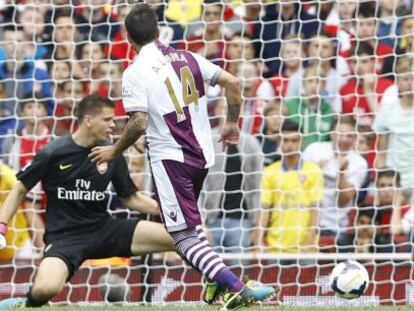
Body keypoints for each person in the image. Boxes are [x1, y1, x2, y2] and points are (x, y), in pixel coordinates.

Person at [89, 4, 275, 310]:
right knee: (190, 226)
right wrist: (231, 122)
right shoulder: (188, 57)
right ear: (159, 30)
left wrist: (113, 150)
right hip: (203, 156)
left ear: (127, 37)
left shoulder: (135, 71)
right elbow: (232, 82)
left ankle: (237, 288)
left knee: (181, 236)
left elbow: (138, 122)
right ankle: (216, 284)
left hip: (171, 161)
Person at [0, 95, 175, 308]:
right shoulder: (53, 152)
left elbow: (130, 197)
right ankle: (25, 303)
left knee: (182, 239)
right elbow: (19, 190)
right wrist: (2, 227)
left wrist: (169, 212)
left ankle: (222, 286)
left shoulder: (112, 153)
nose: (113, 124)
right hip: (65, 238)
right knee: (45, 289)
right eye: (108, 119)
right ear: (89, 120)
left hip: (103, 229)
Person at [252, 120, 323, 260]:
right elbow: (265, 209)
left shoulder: (313, 171)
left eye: (294, 140)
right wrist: (259, 242)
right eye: (285, 140)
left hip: (304, 249)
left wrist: (308, 243)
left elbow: (315, 209)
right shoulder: (269, 172)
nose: (289, 145)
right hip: (275, 248)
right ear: (280, 142)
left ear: (301, 142)